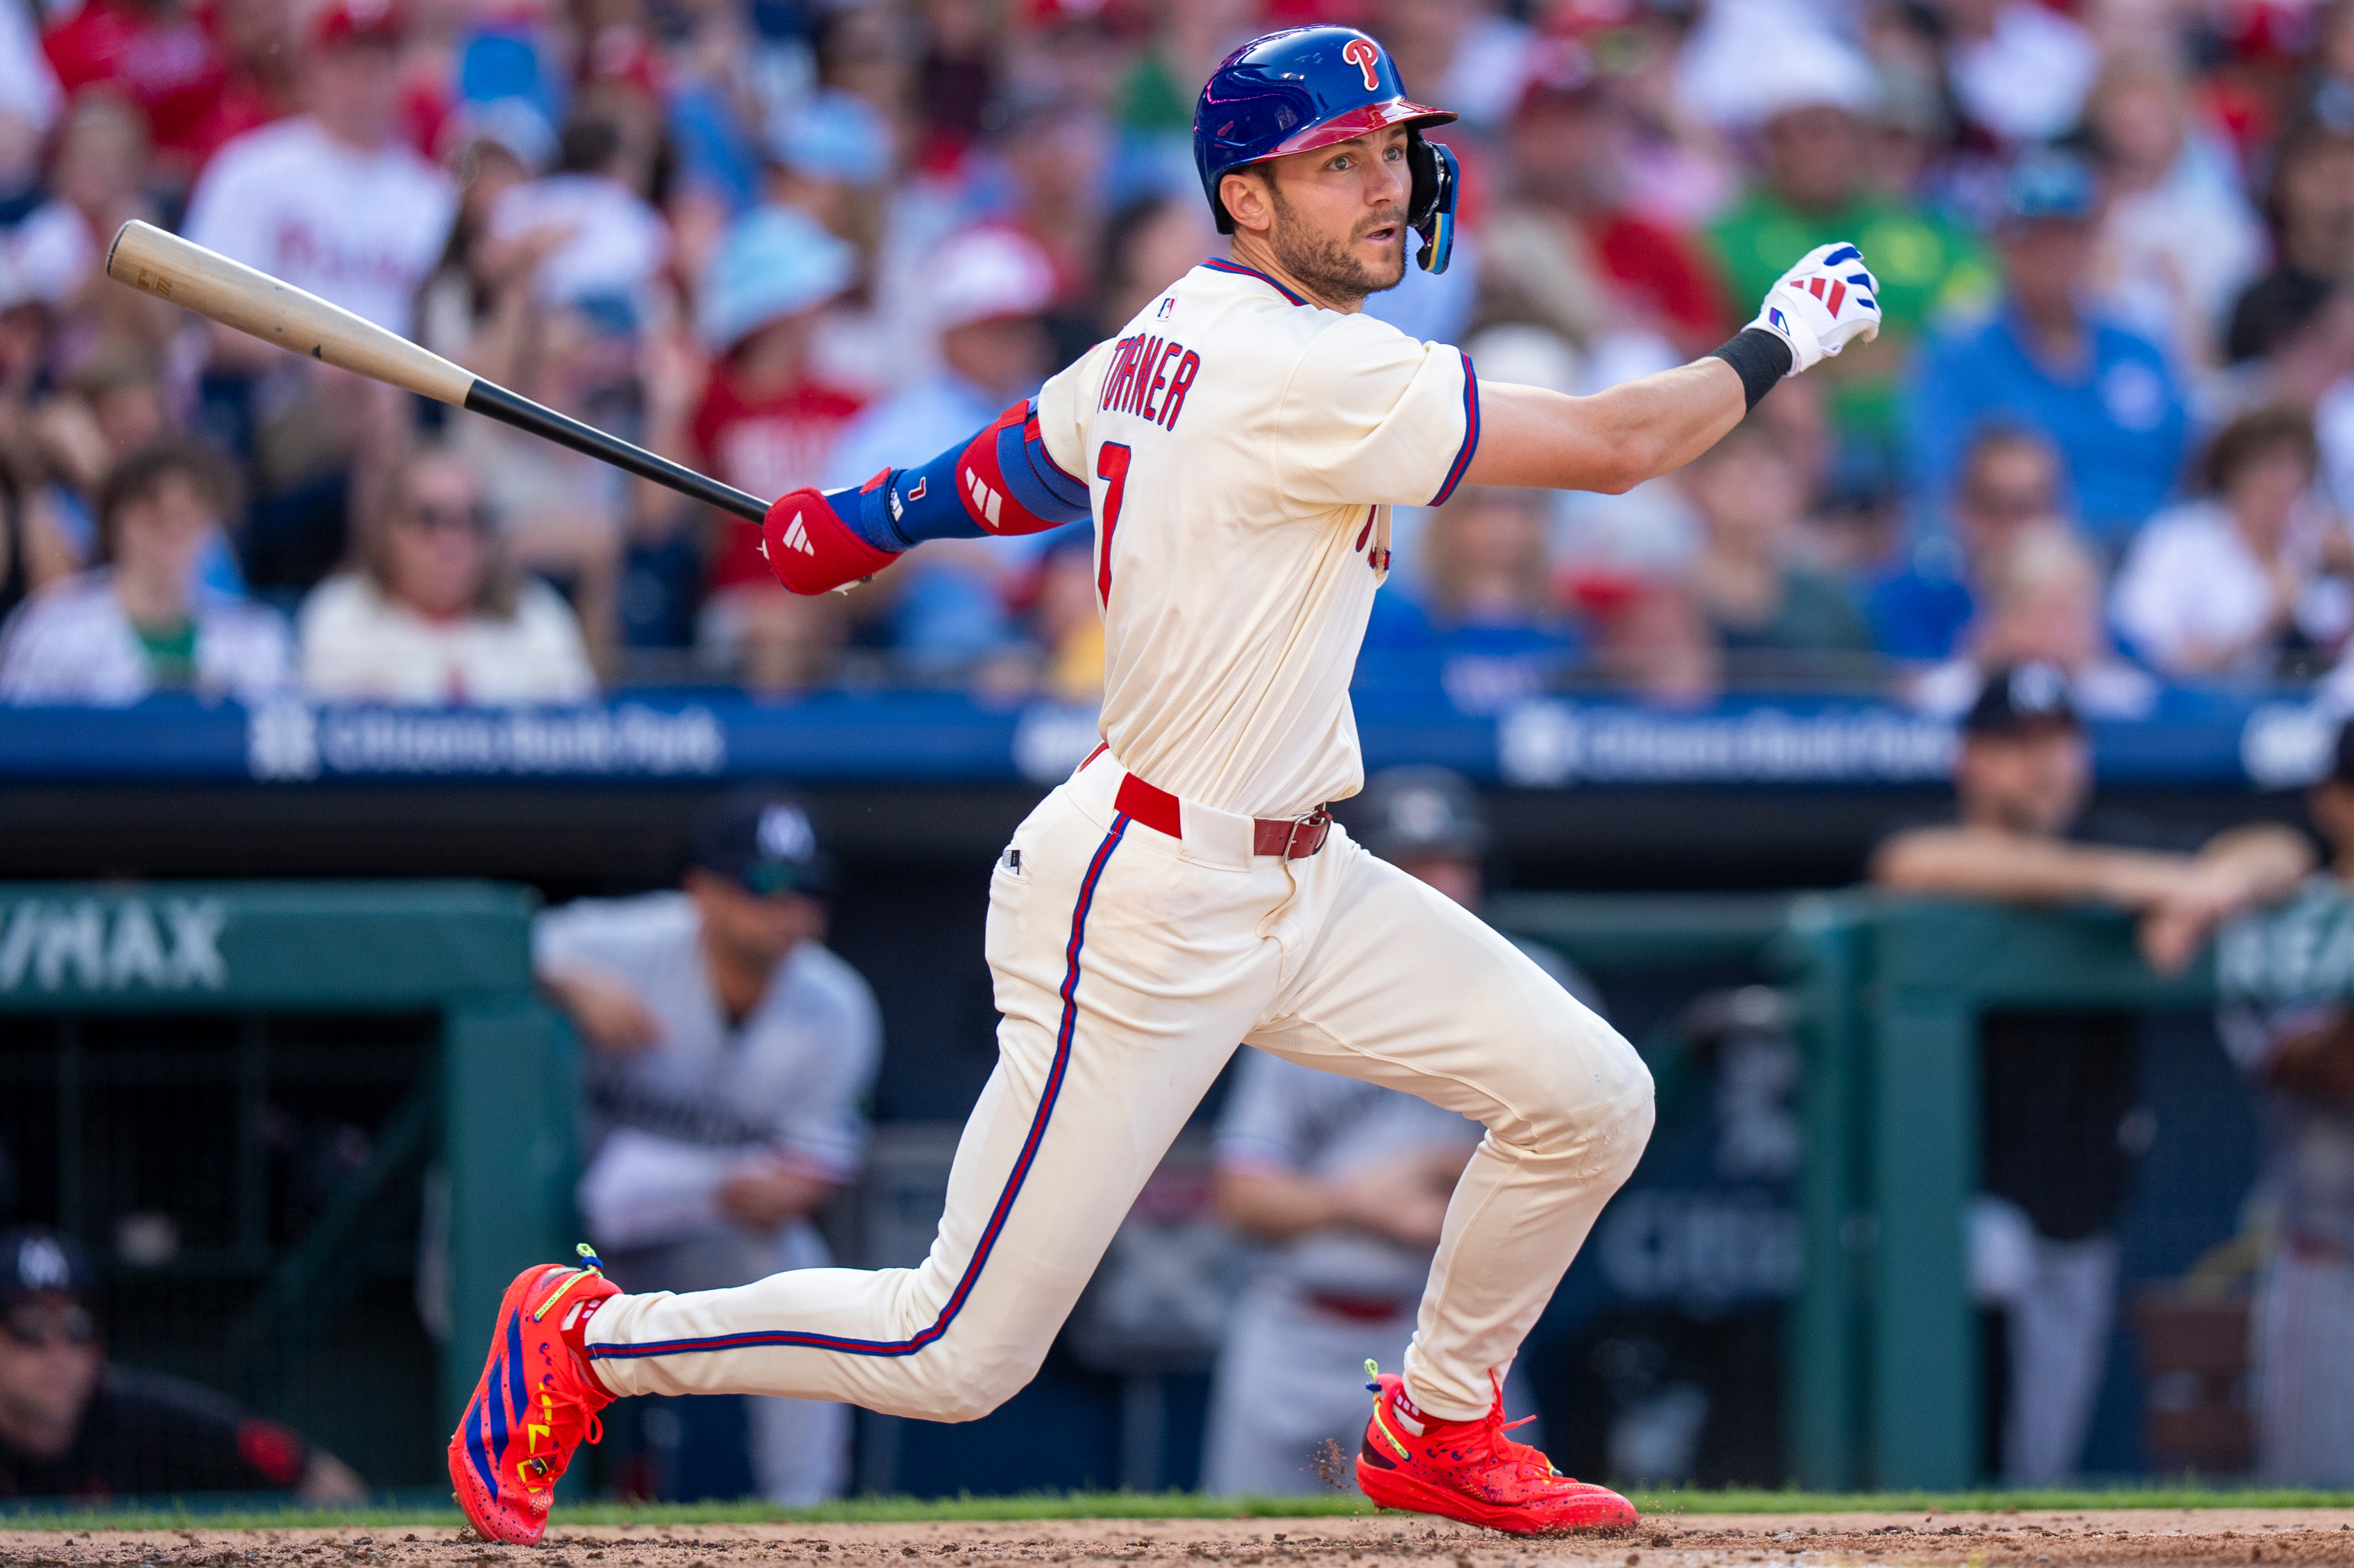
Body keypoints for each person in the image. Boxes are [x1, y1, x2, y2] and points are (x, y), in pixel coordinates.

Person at [450, 24, 1885, 1542]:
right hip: (1145, 895)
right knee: (954, 1351)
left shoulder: (1178, 325)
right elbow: (1616, 444)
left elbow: (1027, 458)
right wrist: (1783, 337)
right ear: (1248, 199)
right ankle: (587, 1340)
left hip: (1302, 875)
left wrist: (862, 516)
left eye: (1390, 151)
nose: (1386, 186)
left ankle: (1443, 1417)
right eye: (1339, 164)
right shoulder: (1305, 362)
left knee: (1589, 1096)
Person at [1871, 665, 2312, 1482]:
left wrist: (2213, 889)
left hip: (2080, 1204)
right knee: (1964, 1412)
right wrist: (2138, 883)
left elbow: (2279, 846)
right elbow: (1911, 861)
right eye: (2019, 745)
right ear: (1970, 757)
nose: (2046, 764)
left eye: (2062, 742)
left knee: (2036, 1470)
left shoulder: (2121, 836)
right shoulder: (1953, 843)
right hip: (1950, 1208)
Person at [1201, 768, 1594, 1494]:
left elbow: (1590, 1152)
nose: (1440, 883)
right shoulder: (1296, 989)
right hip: (1297, 1330)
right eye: (1414, 865)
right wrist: (1359, 1202)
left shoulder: (1540, 985)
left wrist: (1450, 1170)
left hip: (1446, 1345)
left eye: (1454, 860)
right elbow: (1242, 1197)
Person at [532, 792, 880, 1505]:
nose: (789, 910)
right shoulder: (628, 944)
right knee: (503, 1279)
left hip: (699, 1226)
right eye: (764, 887)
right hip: (562, 1221)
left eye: (807, 889)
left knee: (799, 1277)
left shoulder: (837, 1007)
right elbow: (497, 941)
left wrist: (786, 1189)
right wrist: (566, 983)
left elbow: (812, 1169)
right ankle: (502, 1489)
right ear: (701, 892)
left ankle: (804, 1512)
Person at [1704, 31, 1993, 455]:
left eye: (1827, 130)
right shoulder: (1724, 241)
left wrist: (1829, 369)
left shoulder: (1923, 229)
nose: (1812, 148)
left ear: (1858, 136)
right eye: (1793, 133)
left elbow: (1983, 320)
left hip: (1936, 442)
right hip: (1795, 451)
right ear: (1769, 143)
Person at [1906, 150, 2189, 553]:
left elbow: (2184, 468)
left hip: (2152, 559)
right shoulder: (1960, 355)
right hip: (2021, 560)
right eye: (2034, 238)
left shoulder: (2140, 349)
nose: (2052, 253)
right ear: (2004, 245)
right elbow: (1944, 485)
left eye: (2067, 236)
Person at [2213, 719, 2354, 1485]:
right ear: (2333, 799)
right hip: (2330, 1264)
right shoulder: (2294, 923)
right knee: (2320, 1517)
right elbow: (2320, 1067)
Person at [0, 1226, 366, 1500]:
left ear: (98, 1346)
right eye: (29, 1330)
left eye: (76, 1329)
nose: (57, 1350)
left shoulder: (131, 1416)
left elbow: (299, 1464)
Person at [295, 442, 596, 705]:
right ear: (387, 531)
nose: (451, 541)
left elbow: (581, 743)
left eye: (471, 520)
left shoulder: (536, 619)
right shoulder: (341, 615)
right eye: (429, 519)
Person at [0, 440, 287, 704]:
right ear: (117, 521)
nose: (173, 529)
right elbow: (17, 741)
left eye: (191, 513)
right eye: (155, 510)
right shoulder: (53, 630)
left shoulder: (256, 637)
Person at [2111, 406, 2351, 684]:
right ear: (2234, 473)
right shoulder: (2180, 539)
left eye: (2296, 471)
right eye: (2271, 468)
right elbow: (2150, 653)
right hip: (2201, 714)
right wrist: (2262, 628)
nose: (2285, 481)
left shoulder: (2316, 546)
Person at [1677, 419, 1873, 684]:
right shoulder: (1666, 606)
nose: (1756, 488)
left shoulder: (1827, 604)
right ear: (1700, 483)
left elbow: (1861, 705)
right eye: (1743, 469)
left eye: (1771, 473)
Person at [1868, 425, 2065, 665]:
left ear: (2058, 514)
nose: (2010, 527)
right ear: (1957, 508)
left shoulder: (2085, 617)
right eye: (1991, 506)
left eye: (2026, 508)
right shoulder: (1904, 605)